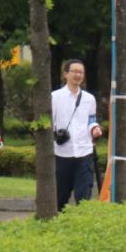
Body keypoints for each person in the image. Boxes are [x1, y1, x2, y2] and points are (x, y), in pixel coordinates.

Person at [51, 59, 103, 209]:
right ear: (66, 74)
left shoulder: (89, 99)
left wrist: (95, 129)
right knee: (60, 197)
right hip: (62, 153)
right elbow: (51, 124)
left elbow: (91, 121)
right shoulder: (55, 97)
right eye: (74, 71)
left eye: (81, 72)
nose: (78, 75)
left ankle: (82, 226)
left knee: (84, 197)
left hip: (84, 152)